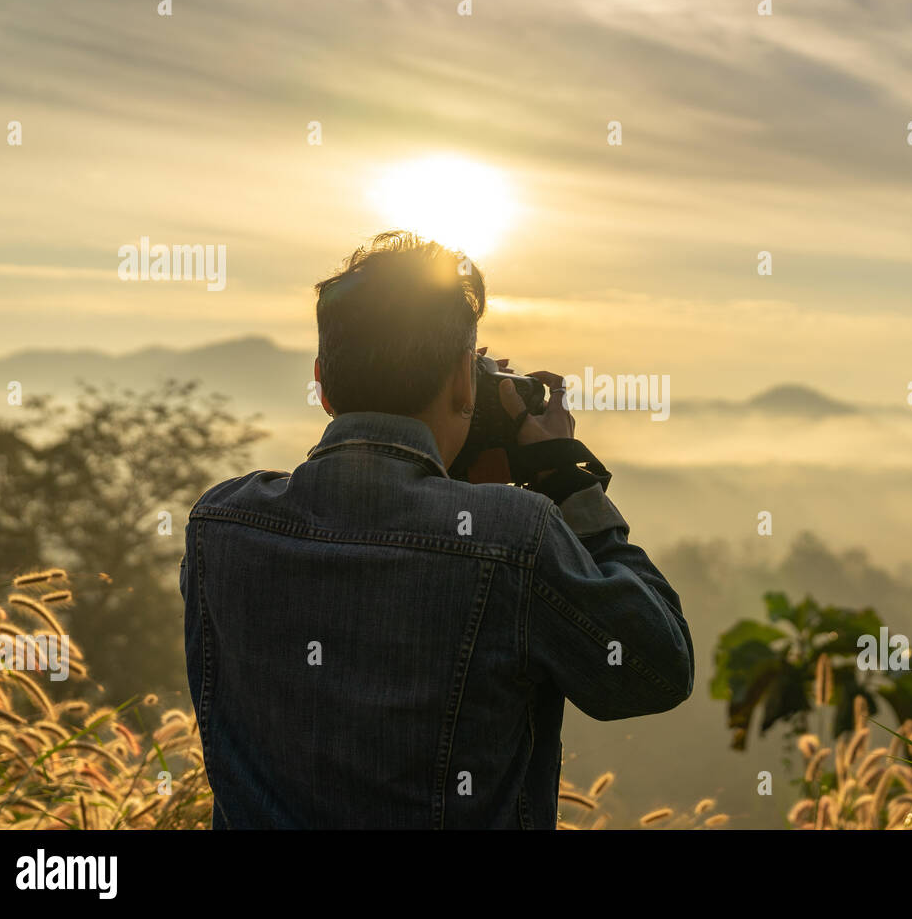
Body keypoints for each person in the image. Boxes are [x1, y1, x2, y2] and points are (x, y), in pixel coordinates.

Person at [179, 230, 693, 828]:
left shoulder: (220, 526)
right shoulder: (513, 539)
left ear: (321, 381)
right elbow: (658, 669)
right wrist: (567, 480)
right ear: (461, 382)